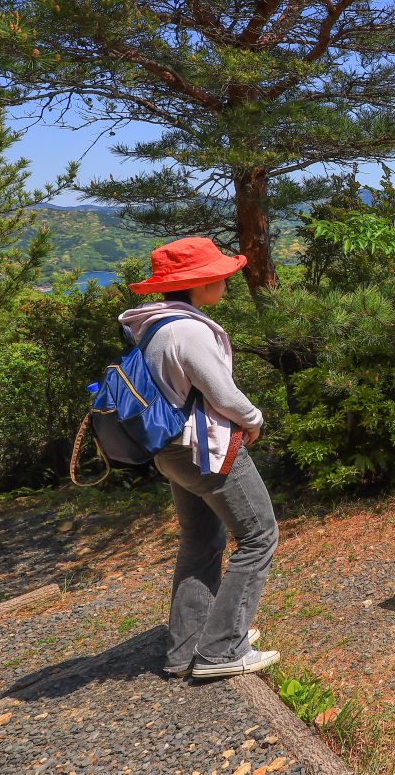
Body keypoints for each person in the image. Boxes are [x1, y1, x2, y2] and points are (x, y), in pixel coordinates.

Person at [120, 237, 280, 679]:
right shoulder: (187, 330)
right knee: (259, 536)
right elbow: (223, 394)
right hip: (205, 450)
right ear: (200, 283)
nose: (226, 280)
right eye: (219, 275)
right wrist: (254, 419)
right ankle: (223, 649)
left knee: (201, 540)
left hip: (171, 451)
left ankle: (184, 649)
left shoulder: (154, 325)